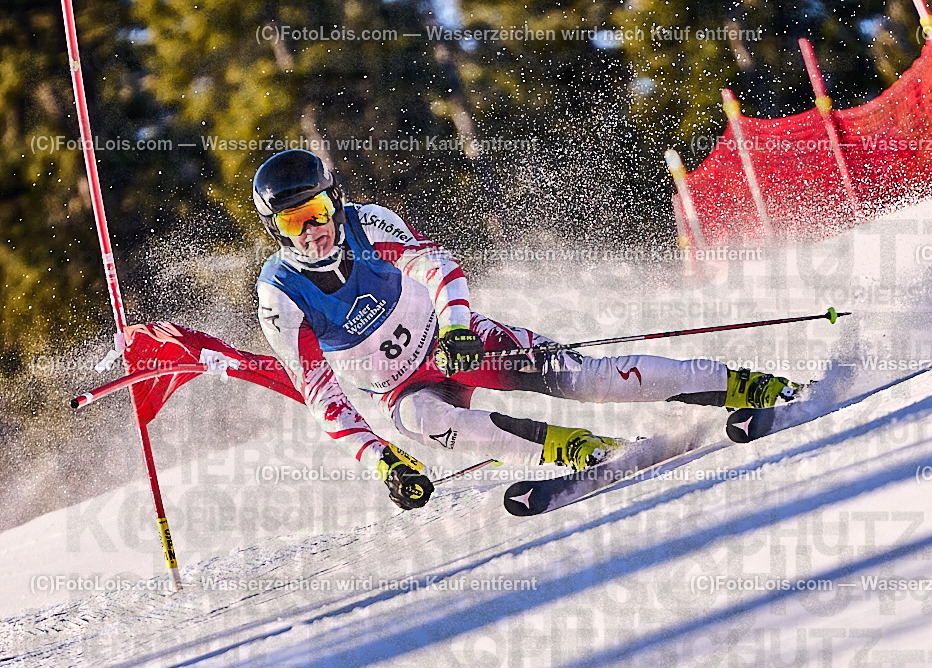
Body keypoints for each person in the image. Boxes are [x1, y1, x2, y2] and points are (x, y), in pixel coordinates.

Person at [253, 149, 802, 510]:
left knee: (586, 378)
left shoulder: (367, 222)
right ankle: (582, 450)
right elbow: (321, 394)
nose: (314, 231)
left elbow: (436, 266)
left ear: (336, 200)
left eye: (319, 209)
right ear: (274, 230)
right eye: (292, 222)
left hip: (455, 344)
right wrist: (383, 461)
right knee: (419, 420)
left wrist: (456, 327)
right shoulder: (281, 297)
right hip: (403, 388)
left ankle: (748, 386)